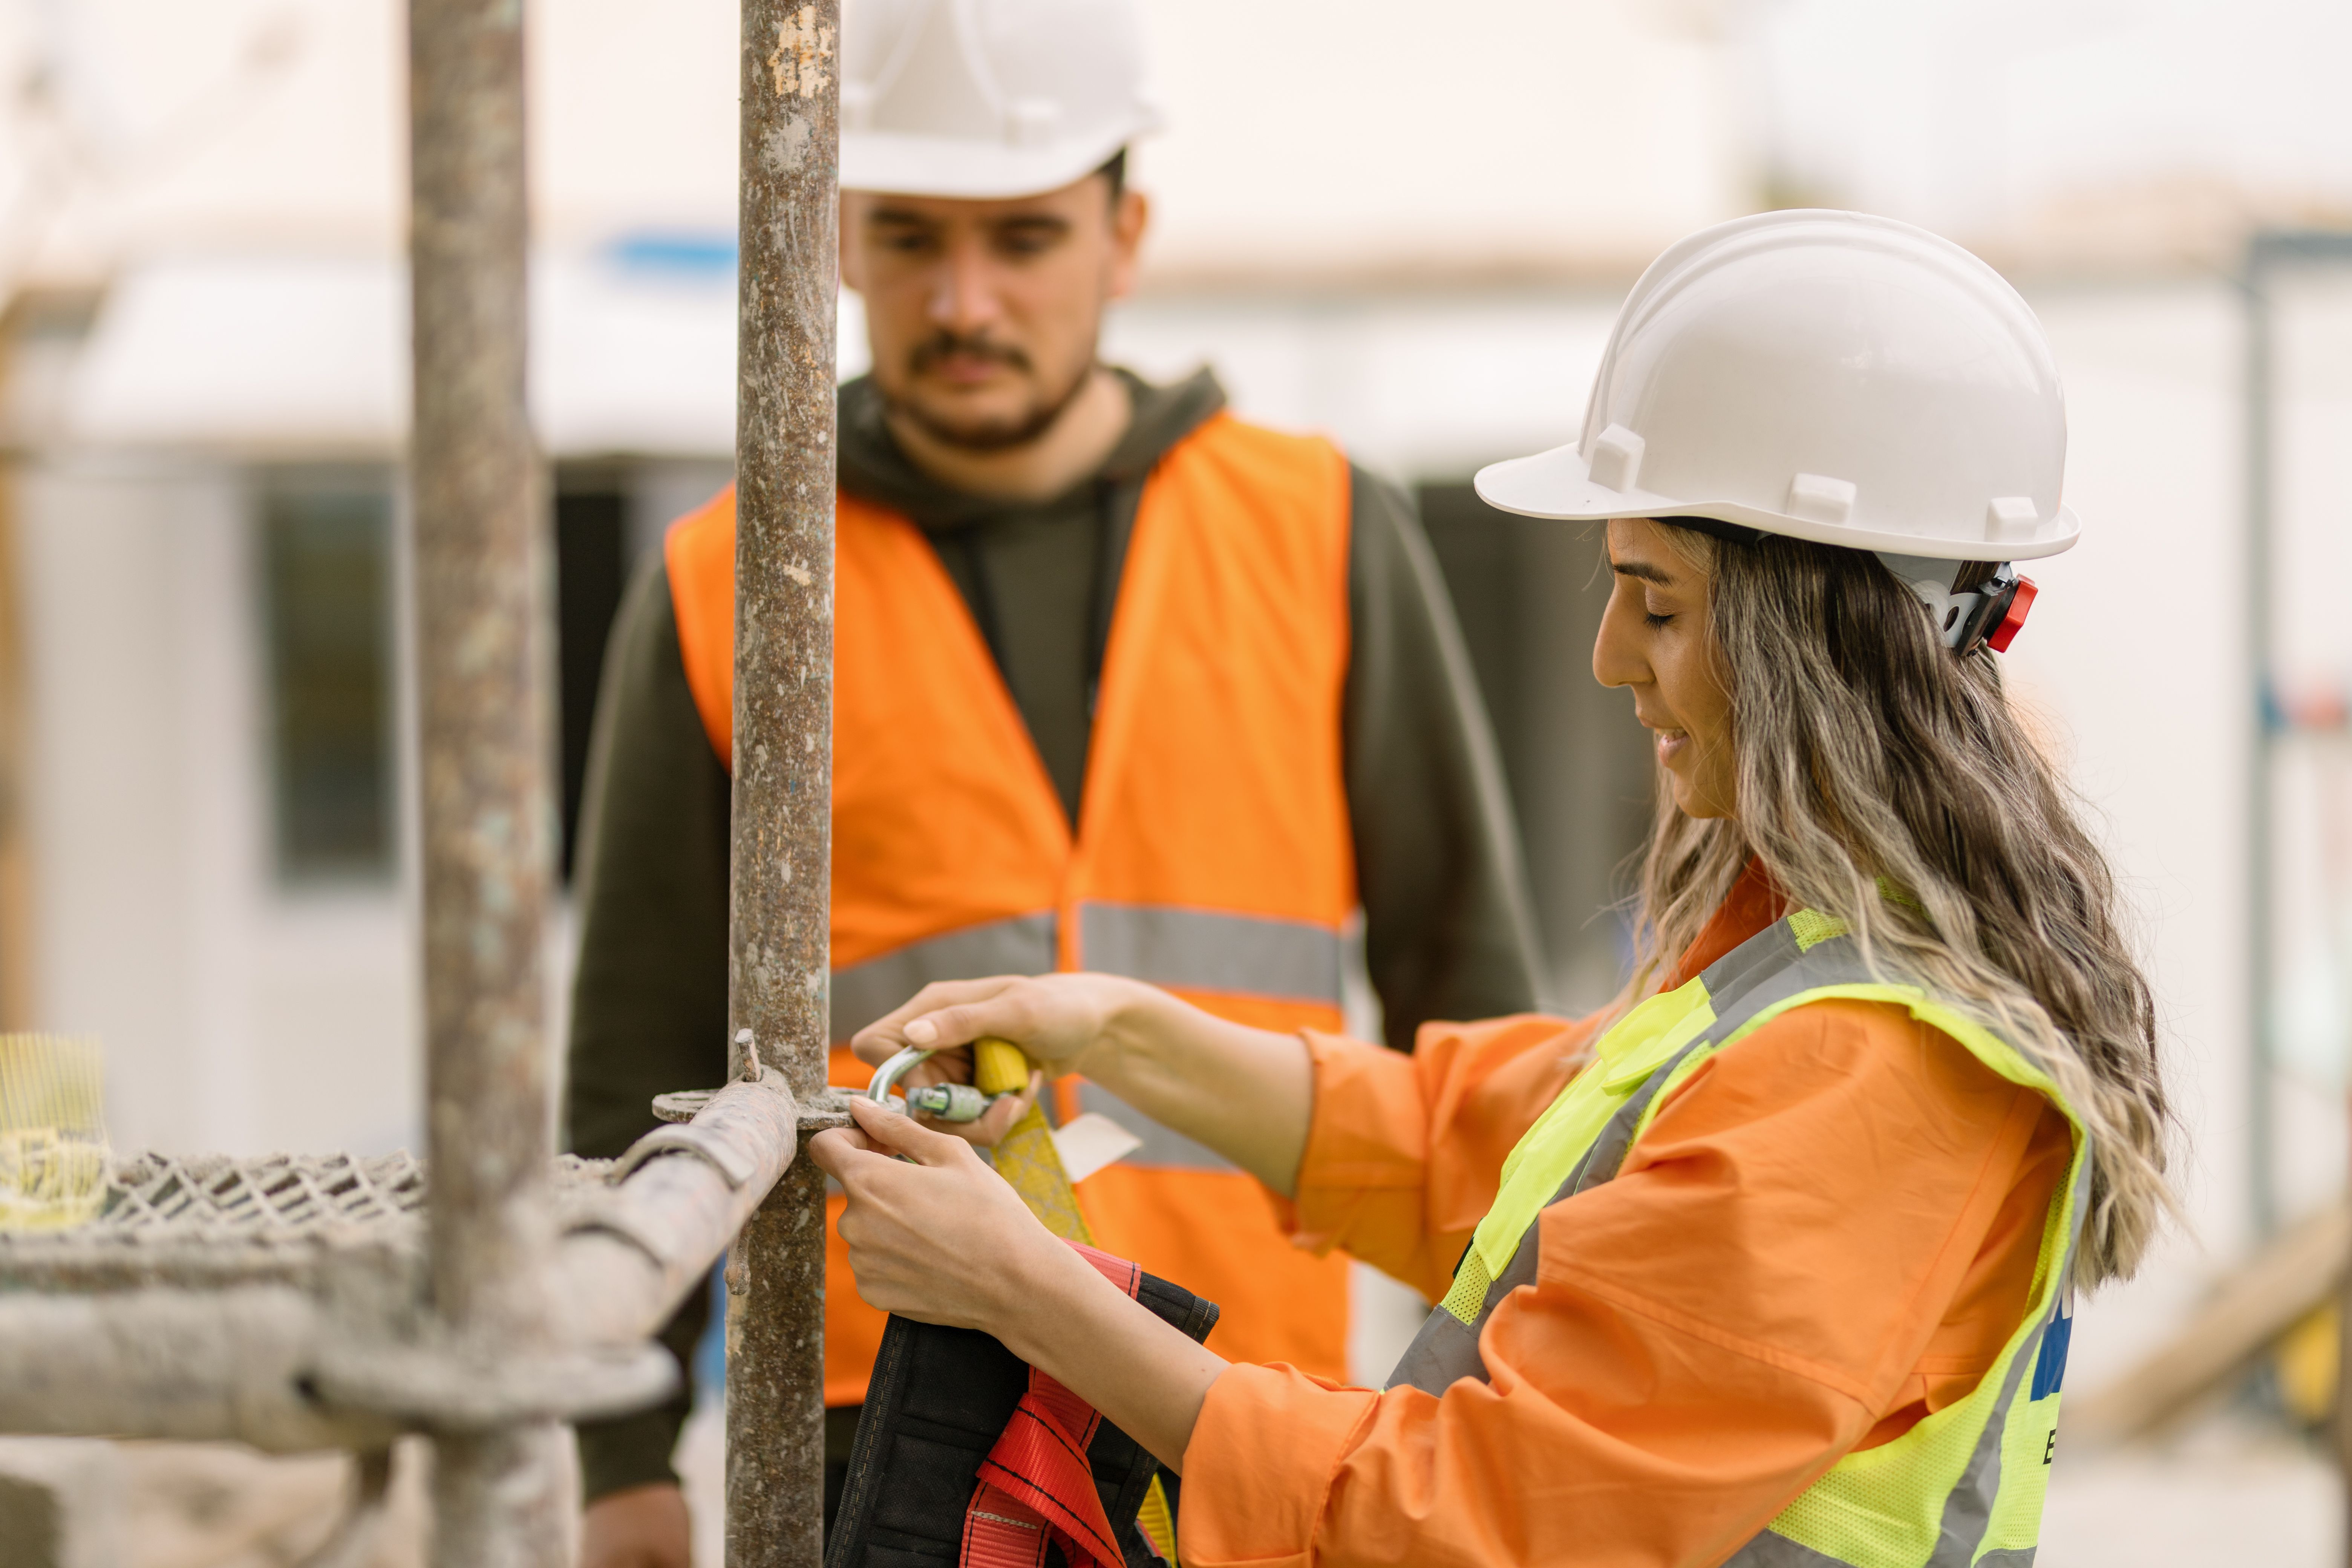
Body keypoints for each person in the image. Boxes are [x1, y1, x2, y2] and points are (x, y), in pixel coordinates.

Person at [813, 210, 2175, 1567]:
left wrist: (1019, 1289)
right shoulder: (1812, 978)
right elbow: (1468, 1146)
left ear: (1810, 633)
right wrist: (1115, 1032)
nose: (1608, 658)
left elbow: (1477, 1521)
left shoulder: (1867, 1074)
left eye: (1656, 602)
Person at [566, 0, 1542, 1558]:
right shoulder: (728, 584)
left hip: (1240, 1406)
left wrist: (1498, 1381)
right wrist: (617, 1454)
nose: (966, 300)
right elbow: (631, 1052)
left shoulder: (1323, 529)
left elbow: (1474, 1010)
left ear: (1125, 233)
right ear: (838, 242)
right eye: (911, 240)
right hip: (876, 1422)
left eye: (1023, 239)